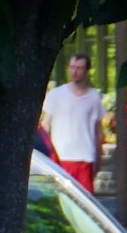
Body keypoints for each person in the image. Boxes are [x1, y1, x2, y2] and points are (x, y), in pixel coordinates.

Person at [40, 50, 107, 195]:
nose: (74, 71)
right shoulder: (56, 95)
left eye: (79, 68)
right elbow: (45, 126)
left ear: (86, 71)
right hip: (60, 158)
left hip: (84, 158)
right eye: (72, 67)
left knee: (85, 201)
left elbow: (98, 132)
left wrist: (98, 160)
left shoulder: (94, 98)